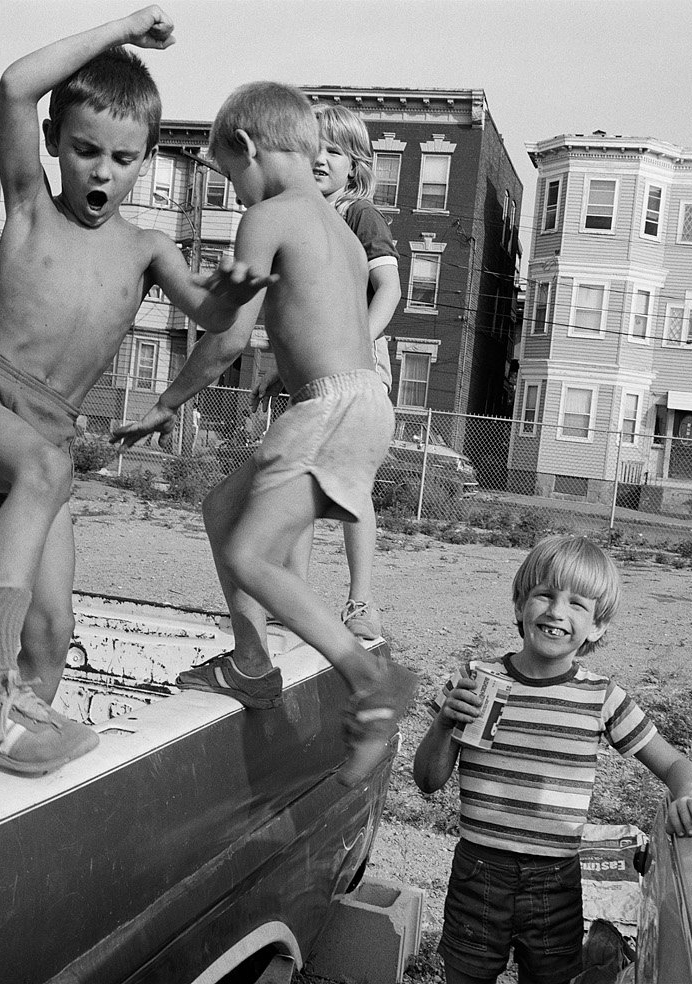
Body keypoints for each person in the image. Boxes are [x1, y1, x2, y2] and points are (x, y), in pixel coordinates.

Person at [0, 7, 272, 776]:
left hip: (45, 438)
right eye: (83, 150)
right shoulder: (28, 208)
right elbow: (17, 85)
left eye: (122, 157)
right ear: (54, 144)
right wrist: (120, 33)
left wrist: (233, 293)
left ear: (146, 158)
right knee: (44, 469)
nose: (101, 172)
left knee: (51, 631)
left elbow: (211, 316)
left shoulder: (148, 249)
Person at [113, 81, 416, 787]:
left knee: (252, 554)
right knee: (223, 510)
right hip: (358, 397)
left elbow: (226, 340)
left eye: (228, 177)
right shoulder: (337, 226)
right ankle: (252, 662)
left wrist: (167, 403)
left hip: (330, 406)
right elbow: (318, 316)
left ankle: (371, 682)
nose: (235, 194)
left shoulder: (270, 216)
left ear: (247, 149)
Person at [412, 536, 692, 984]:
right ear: (519, 606)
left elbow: (673, 765)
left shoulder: (601, 697)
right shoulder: (473, 681)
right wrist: (444, 724)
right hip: (478, 872)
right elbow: (428, 780)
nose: (556, 612)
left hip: (555, 880)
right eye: (544, 595)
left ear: (597, 627)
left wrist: (688, 789)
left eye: (577, 604)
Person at [251, 103, 402, 642]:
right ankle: (295, 595)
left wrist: (360, 344)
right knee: (298, 479)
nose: (321, 159)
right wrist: (278, 372)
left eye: (334, 151)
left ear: (355, 167)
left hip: (358, 367)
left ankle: (360, 601)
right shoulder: (298, 215)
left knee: (351, 484)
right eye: (313, 148)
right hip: (310, 376)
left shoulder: (358, 216)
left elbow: (390, 288)